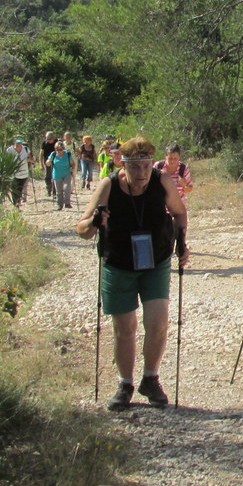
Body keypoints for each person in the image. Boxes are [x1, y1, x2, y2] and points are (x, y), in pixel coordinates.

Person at [76, 136, 188, 411]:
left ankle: (150, 378)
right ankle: (125, 384)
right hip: (119, 262)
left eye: (146, 166)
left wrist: (182, 243)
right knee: (125, 328)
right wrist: (94, 221)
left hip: (156, 260)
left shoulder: (162, 181)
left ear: (152, 164)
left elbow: (179, 213)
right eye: (135, 167)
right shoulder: (108, 185)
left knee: (158, 323)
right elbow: (82, 229)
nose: (141, 174)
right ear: (122, 164)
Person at [46, 140, 76, 210]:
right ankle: (59, 205)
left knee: (66, 188)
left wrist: (72, 169)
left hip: (66, 173)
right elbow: (47, 164)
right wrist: (49, 161)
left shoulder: (67, 154)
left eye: (60, 149)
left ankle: (67, 203)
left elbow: (73, 163)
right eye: (57, 149)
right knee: (59, 191)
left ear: (63, 149)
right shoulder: (53, 155)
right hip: (56, 174)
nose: (58, 151)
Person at [6, 138, 32, 208]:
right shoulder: (9, 150)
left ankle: (17, 203)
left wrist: (29, 160)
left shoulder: (26, 149)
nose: (19, 144)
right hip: (14, 173)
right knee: (14, 190)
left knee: (20, 190)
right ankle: (15, 205)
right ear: (14, 143)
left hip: (24, 173)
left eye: (20, 143)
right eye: (17, 143)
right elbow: (7, 161)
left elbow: (32, 159)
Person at [40, 131, 58, 198]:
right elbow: (41, 153)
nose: (48, 140)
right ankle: (48, 190)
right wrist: (41, 164)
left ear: (53, 138)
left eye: (50, 139)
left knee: (55, 176)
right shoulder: (44, 143)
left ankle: (55, 192)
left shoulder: (57, 142)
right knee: (48, 176)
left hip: (56, 161)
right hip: (47, 161)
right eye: (47, 139)